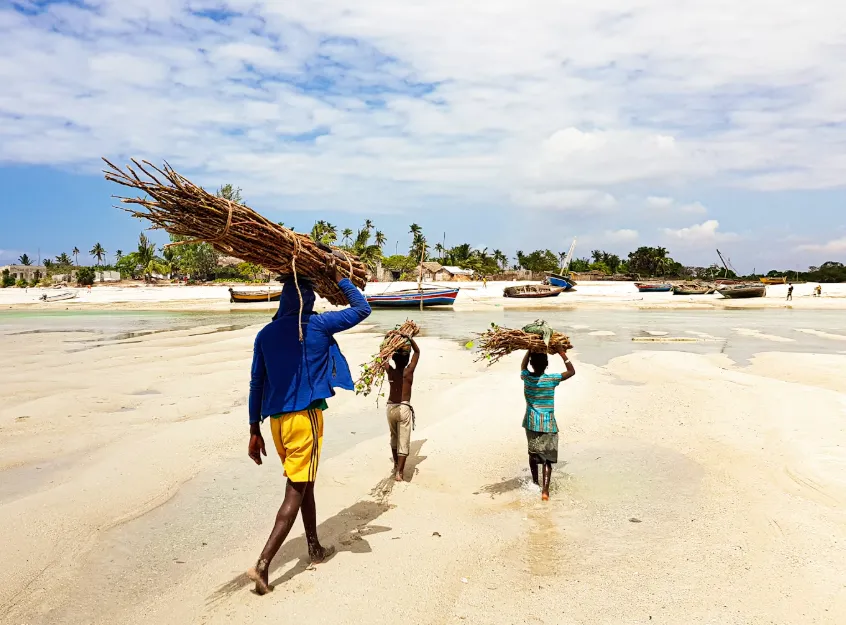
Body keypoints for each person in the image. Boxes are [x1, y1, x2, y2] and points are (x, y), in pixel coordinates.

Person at [245, 261, 371, 595]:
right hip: (306, 420)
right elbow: (362, 308)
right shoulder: (316, 325)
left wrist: (253, 430)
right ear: (309, 300)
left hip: (275, 423)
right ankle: (263, 565)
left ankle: (314, 547)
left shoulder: (265, 334)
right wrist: (340, 277)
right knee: (295, 491)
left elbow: (257, 382)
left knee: (305, 482)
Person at [520, 348, 575, 501]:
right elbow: (571, 371)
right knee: (547, 459)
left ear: (532, 364)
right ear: (547, 364)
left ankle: (535, 482)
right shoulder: (551, 379)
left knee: (533, 454)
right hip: (548, 424)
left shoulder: (527, 378)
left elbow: (523, 368)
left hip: (531, 423)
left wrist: (529, 351)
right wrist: (561, 353)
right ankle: (545, 491)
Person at [386, 335, 420, 481]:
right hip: (403, 408)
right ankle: (399, 472)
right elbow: (417, 352)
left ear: (394, 359)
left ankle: (395, 465)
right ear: (407, 360)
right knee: (403, 440)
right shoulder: (409, 372)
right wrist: (409, 338)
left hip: (390, 408)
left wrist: (389, 341)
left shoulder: (391, 371)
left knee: (394, 437)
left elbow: (382, 357)